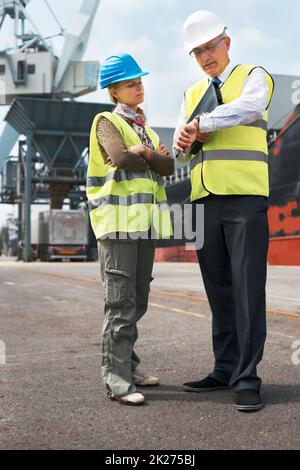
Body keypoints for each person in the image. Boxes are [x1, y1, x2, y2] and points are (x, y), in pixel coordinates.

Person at [174, 10, 274, 412]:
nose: (204, 57)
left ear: (226, 43)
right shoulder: (190, 92)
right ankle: (225, 368)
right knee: (219, 292)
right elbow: (184, 137)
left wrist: (201, 123)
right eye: (197, 52)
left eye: (210, 47)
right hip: (203, 201)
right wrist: (182, 138)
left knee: (248, 289)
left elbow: (248, 110)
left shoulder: (254, 76)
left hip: (244, 198)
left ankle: (247, 379)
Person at [86, 53, 174, 406]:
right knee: (120, 304)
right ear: (114, 92)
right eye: (130, 83)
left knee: (137, 301)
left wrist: (148, 153)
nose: (138, 86)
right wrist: (149, 155)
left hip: (145, 225)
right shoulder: (105, 121)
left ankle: (129, 365)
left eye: (139, 81)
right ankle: (117, 380)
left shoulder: (147, 130)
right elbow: (120, 158)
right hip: (117, 224)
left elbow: (167, 166)